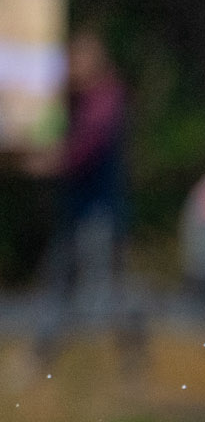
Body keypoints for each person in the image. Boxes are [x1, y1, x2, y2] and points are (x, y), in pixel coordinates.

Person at [30, 29, 144, 367]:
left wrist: (51, 161)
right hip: (79, 210)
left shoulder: (105, 100)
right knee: (64, 281)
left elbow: (85, 149)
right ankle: (43, 358)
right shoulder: (78, 100)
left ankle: (130, 348)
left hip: (98, 212)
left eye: (76, 60)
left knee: (100, 292)